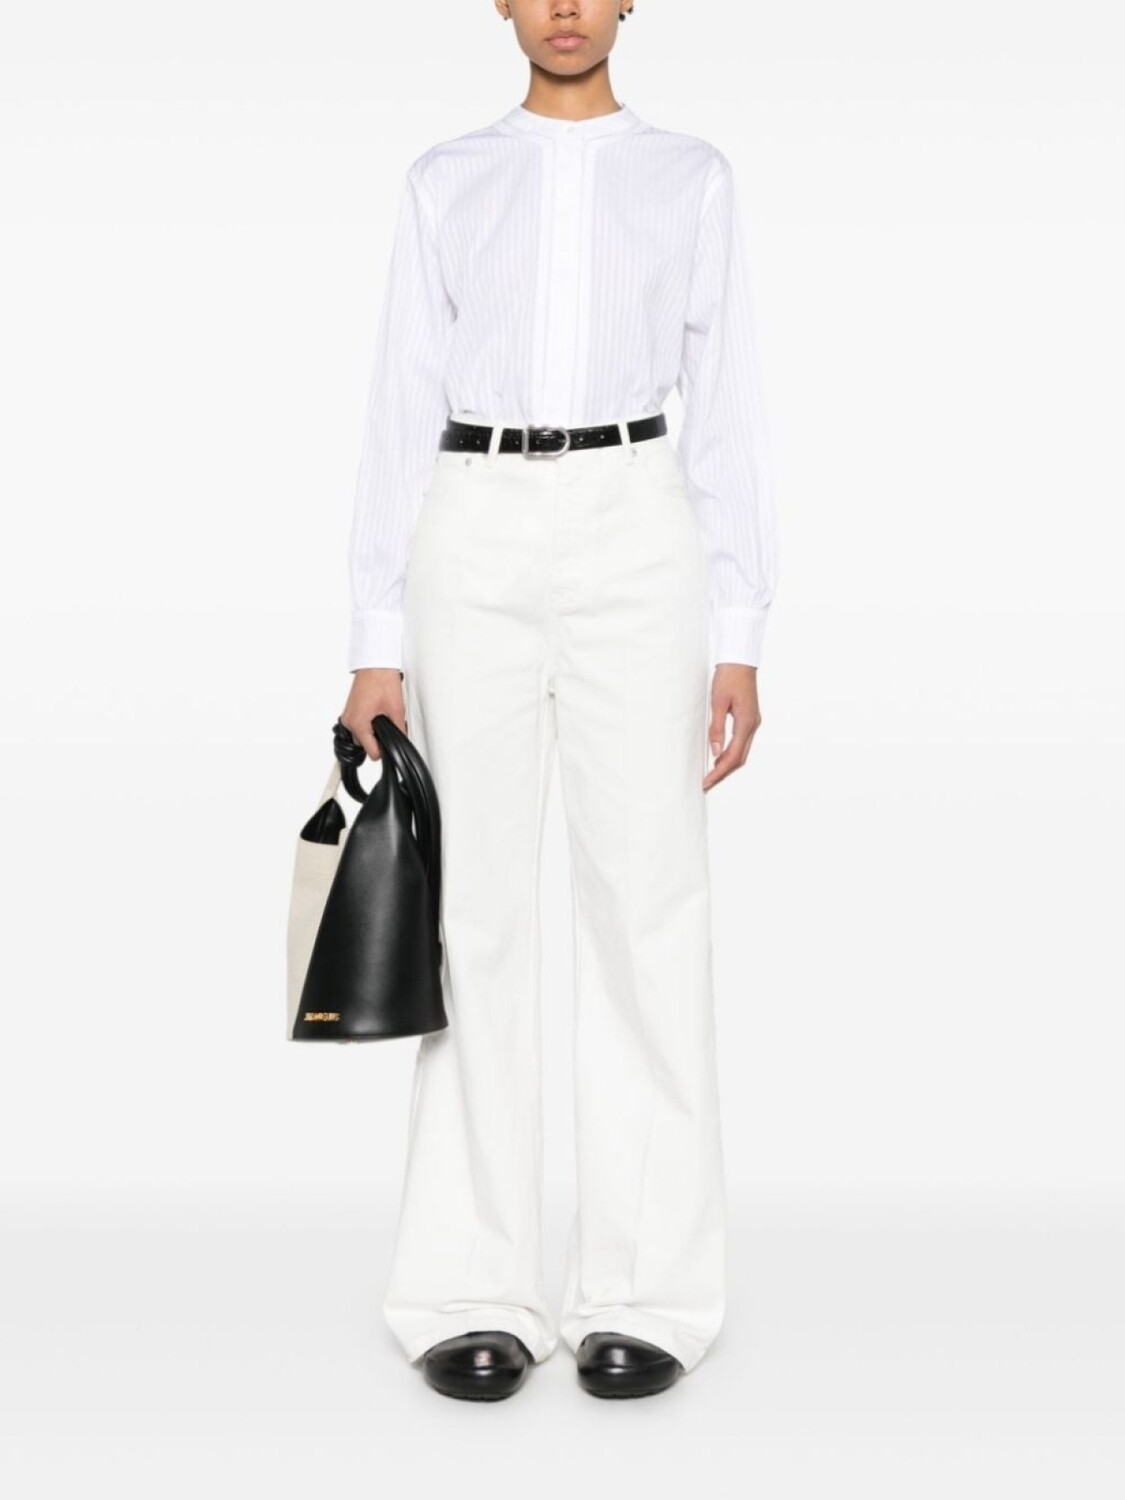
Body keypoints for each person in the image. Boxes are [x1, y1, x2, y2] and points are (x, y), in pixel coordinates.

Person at [339, 0, 779, 1401]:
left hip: (636, 524)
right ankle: (469, 1287)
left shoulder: (690, 178)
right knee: (471, 912)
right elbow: (399, 402)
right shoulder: (446, 178)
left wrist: (738, 627)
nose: (568, 8)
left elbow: (724, 405)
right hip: (470, 524)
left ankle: (646, 1291)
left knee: (646, 906)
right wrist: (373, 640)